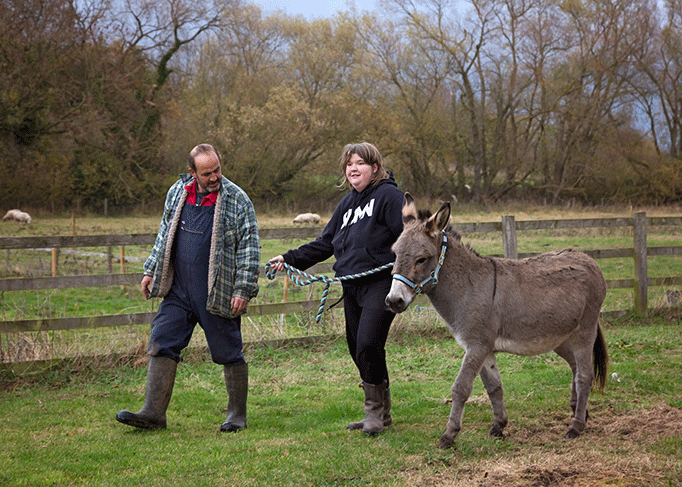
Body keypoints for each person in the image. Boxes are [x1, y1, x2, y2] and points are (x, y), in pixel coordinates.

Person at [116, 143, 260, 432]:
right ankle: (153, 413)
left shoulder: (237, 200)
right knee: (162, 339)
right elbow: (164, 234)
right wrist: (150, 270)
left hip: (216, 289)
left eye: (217, 170)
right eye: (207, 173)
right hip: (179, 288)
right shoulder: (177, 193)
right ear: (192, 172)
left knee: (228, 349)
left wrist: (243, 289)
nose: (214, 177)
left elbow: (249, 248)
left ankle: (236, 415)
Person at [268, 142, 403, 436]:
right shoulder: (347, 204)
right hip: (351, 285)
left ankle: (374, 415)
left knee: (368, 342)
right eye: (349, 164)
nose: (354, 168)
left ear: (375, 167)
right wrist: (290, 259)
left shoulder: (390, 197)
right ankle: (382, 414)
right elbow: (326, 243)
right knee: (359, 348)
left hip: (381, 281)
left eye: (360, 163)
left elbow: (409, 236)